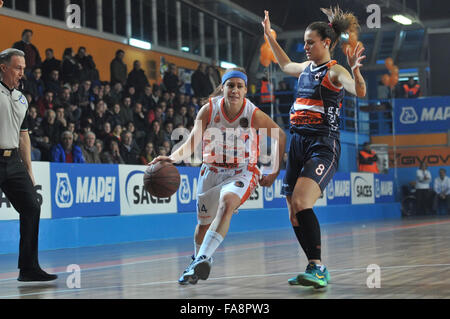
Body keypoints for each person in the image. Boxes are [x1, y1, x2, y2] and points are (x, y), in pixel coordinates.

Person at [150, 67, 286, 285]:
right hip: (211, 171)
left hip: (243, 169)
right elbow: (191, 143)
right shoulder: (208, 110)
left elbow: (279, 134)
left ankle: (203, 259)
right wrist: (171, 158)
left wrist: (274, 171)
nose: (234, 90)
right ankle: (196, 260)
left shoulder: (252, 113)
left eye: (239, 86)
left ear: (245, 91)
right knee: (202, 227)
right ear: (223, 88)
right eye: (230, 85)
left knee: (227, 203)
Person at [262, 7, 366, 288]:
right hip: (298, 142)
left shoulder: (336, 71)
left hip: (322, 144)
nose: (305, 47)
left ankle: (318, 268)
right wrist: (269, 36)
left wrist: (356, 72)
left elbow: (359, 91)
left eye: (311, 42)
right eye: (305, 42)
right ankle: (314, 266)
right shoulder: (306, 69)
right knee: (292, 210)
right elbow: (284, 65)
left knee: (301, 202)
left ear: (327, 43)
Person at [0, 48, 57, 281]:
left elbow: (24, 136)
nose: (22, 73)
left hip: (13, 161)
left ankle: (29, 268)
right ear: (3, 67)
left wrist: (30, 170)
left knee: (32, 207)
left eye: (23, 68)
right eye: (17, 68)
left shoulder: (22, 98)